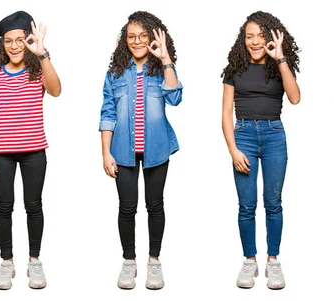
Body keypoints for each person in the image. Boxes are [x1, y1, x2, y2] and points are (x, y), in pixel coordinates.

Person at [99, 11, 183, 290]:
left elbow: (176, 97)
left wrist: (165, 58)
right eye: (131, 36)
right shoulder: (115, 73)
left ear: (152, 38)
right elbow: (107, 113)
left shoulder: (162, 69)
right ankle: (129, 261)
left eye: (142, 36)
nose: (136, 41)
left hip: (157, 149)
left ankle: (154, 261)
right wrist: (106, 152)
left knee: (155, 205)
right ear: (125, 40)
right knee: (127, 207)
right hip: (122, 150)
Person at [0, 10, 61, 290]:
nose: (14, 46)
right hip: (1, 154)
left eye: (19, 40)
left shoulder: (37, 72)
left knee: (33, 206)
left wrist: (42, 54)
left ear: (28, 41)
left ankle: (34, 261)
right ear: (2, 45)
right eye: (8, 41)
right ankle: (6, 261)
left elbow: (56, 90)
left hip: (34, 152)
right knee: (4, 207)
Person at [221, 11, 300, 290]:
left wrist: (280, 58)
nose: (254, 42)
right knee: (246, 205)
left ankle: (273, 260)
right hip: (243, 136)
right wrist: (233, 150)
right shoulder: (234, 68)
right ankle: (250, 260)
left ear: (271, 38)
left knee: (273, 202)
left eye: (260, 36)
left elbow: (295, 97)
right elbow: (225, 114)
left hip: (274, 136)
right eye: (249, 36)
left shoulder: (279, 65)